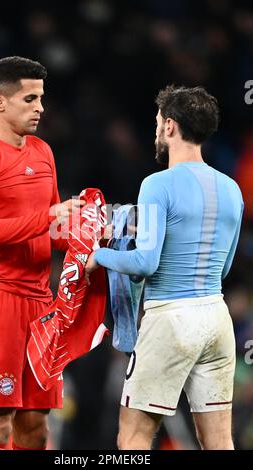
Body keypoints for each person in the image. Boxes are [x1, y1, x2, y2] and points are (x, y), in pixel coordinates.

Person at [86, 85, 244, 450]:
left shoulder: (156, 184)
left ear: (170, 126)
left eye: (158, 123)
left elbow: (144, 263)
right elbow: (225, 269)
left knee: (134, 436)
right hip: (217, 321)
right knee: (219, 440)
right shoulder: (233, 189)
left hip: (171, 320)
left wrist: (100, 256)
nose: (156, 130)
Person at [0, 56, 84, 451]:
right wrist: (49, 217)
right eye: (30, 98)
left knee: (36, 428)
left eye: (41, 98)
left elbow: (53, 231)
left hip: (41, 305)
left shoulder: (43, 152)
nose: (40, 107)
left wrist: (91, 231)